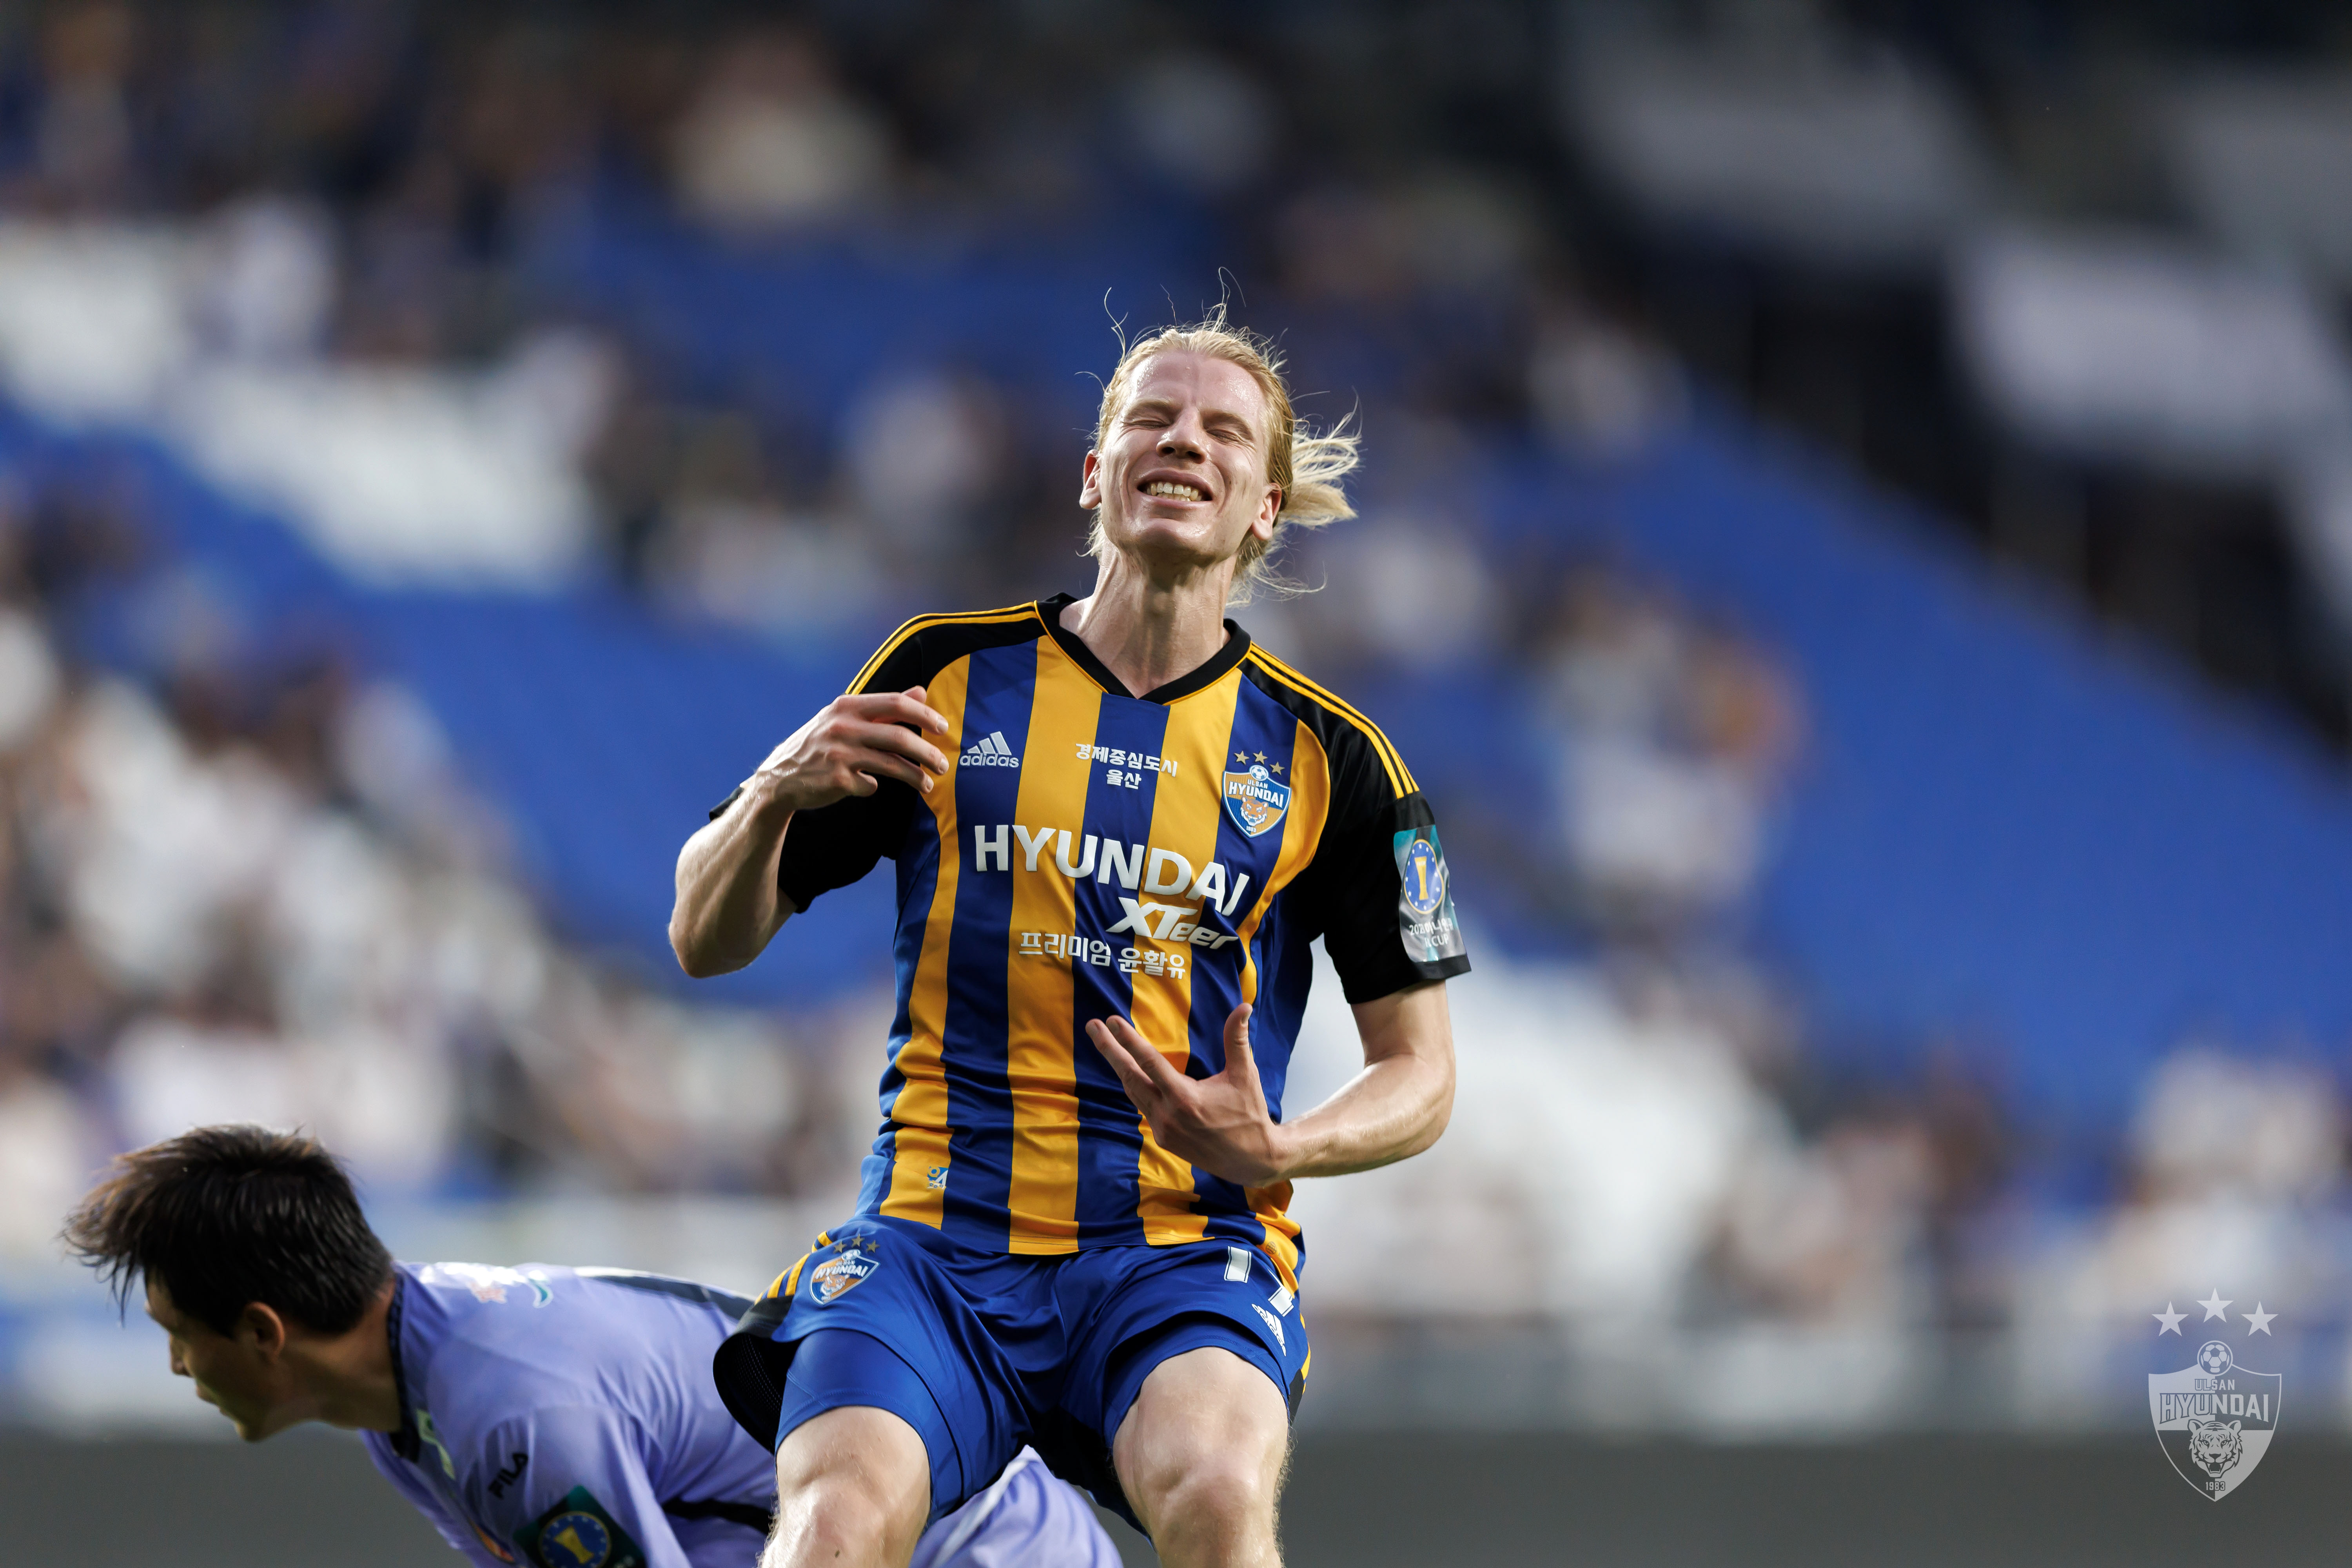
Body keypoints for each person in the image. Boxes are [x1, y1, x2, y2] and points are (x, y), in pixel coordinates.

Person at [670, 312, 1469, 1568]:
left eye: (1223, 431)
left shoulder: (1337, 761)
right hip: (935, 1242)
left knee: (1217, 1496)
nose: (1184, 441)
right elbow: (702, 941)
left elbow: (1422, 1072)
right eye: (1153, 417)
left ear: (1265, 508)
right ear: (1097, 474)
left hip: (1182, 1250)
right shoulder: (943, 672)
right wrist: (776, 791)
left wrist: (1282, 1145)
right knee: (832, 1525)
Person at [62, 1125, 1122, 1568]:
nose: (178, 1369)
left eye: (179, 1337)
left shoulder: (503, 1412)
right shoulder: (413, 1395)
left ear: (263, 1332)